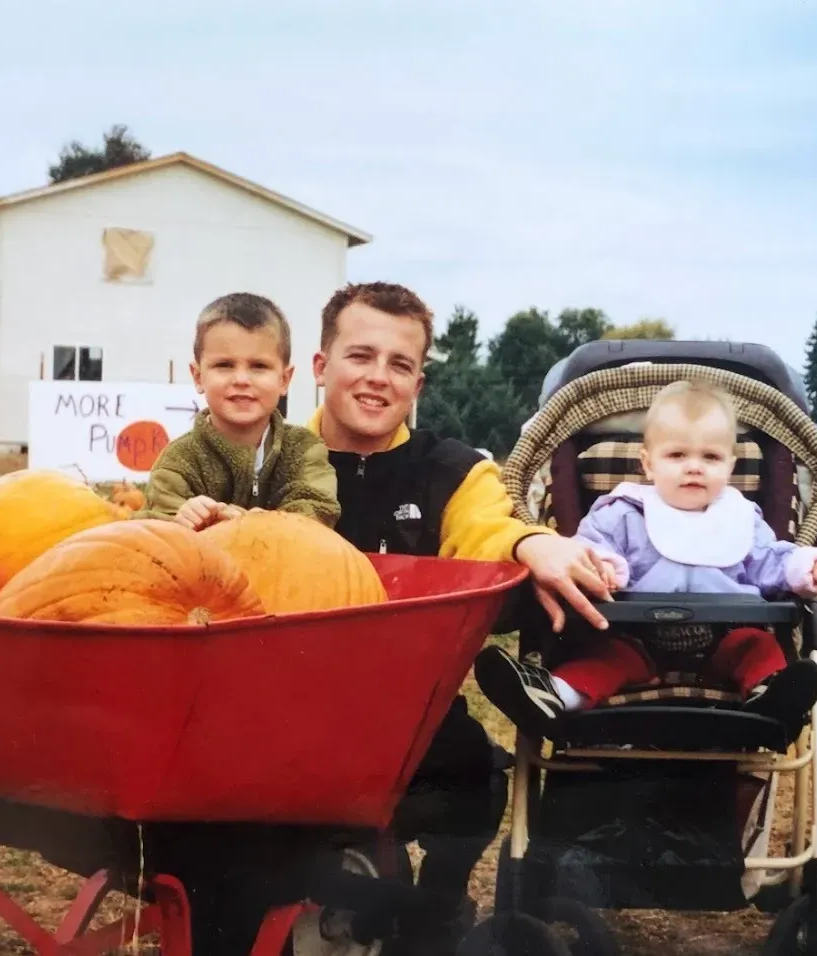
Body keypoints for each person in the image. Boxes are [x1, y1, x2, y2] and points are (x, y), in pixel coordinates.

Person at [305, 281, 615, 954]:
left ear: (418, 383)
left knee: (475, 776)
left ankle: (437, 904)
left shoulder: (453, 471)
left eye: (400, 364)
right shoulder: (275, 462)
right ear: (321, 366)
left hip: (408, 714)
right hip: (289, 711)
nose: (379, 377)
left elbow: (486, 530)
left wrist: (531, 543)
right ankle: (343, 893)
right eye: (360, 356)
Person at [476, 379, 817, 742]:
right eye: (677, 455)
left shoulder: (742, 520)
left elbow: (771, 561)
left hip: (726, 639)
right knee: (601, 658)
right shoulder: (621, 513)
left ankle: (772, 693)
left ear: (731, 465)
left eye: (710, 457)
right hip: (632, 638)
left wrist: (811, 566)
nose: (694, 467)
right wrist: (600, 568)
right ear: (648, 463)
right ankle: (554, 695)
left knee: (757, 647)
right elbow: (586, 549)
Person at [142, 291, 339, 529]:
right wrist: (180, 519)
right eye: (224, 365)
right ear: (198, 377)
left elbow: (316, 509)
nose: (242, 379)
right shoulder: (179, 461)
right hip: (199, 553)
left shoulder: (304, 449)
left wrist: (255, 524)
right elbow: (152, 527)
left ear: (284, 380)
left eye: (259, 366)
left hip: (281, 551)